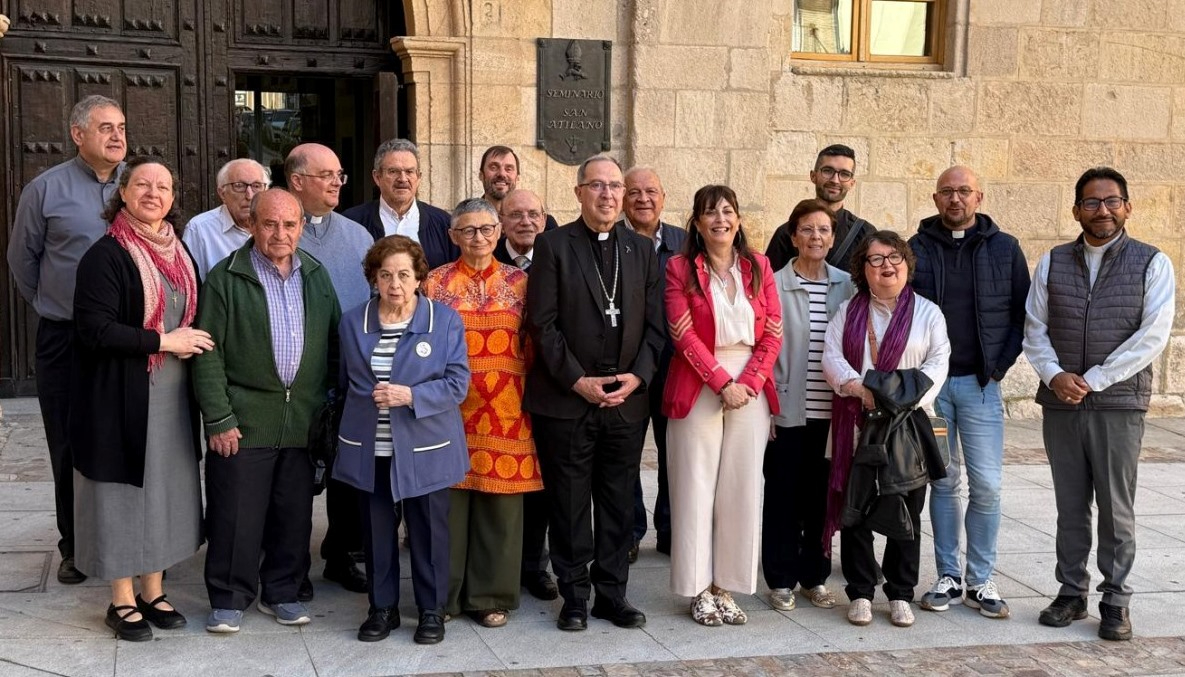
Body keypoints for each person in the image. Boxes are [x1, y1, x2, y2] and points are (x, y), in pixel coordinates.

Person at [1023, 167, 1175, 642]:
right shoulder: (1052, 262)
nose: (1102, 210)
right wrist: (1054, 375)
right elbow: (1035, 328)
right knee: (1070, 506)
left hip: (1118, 404)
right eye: (1091, 202)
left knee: (1116, 507)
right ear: (1076, 210)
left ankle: (1116, 599)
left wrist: (1091, 380)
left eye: (1111, 201)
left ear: (1127, 207)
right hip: (1061, 402)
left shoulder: (1153, 262)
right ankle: (1071, 592)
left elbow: (1152, 335)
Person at [70, 157, 212, 641]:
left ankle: (153, 590)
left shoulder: (179, 252)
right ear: (123, 193)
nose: (154, 193)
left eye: (164, 186)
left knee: (165, 492)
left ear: (174, 198)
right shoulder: (105, 255)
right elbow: (95, 331)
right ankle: (122, 599)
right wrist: (163, 342)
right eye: (143, 184)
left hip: (171, 396)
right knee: (122, 495)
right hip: (118, 398)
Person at [524, 154, 665, 632]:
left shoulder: (642, 250)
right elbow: (541, 325)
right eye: (597, 186)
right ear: (578, 191)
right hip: (568, 399)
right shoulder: (553, 245)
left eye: (615, 187)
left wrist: (638, 377)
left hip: (625, 400)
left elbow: (655, 329)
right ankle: (575, 596)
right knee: (567, 502)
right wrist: (576, 380)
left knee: (617, 501)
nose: (608, 195)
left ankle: (613, 593)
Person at [193, 188, 341, 634]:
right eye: (270, 224)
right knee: (236, 513)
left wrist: (329, 409)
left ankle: (283, 591)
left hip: (302, 422)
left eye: (289, 224)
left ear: (301, 227)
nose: (280, 233)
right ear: (253, 226)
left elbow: (335, 345)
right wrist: (219, 417)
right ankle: (229, 596)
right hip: (244, 421)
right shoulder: (225, 277)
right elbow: (207, 352)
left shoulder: (315, 274)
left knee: (292, 515)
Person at [6, 94, 127, 585]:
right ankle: (75, 544)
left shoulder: (141, 185)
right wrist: (52, 306)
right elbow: (22, 260)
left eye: (121, 126)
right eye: (105, 127)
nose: (117, 136)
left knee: (123, 435)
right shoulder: (45, 189)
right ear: (78, 134)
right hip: (66, 339)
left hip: (127, 339)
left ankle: (124, 539)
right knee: (68, 442)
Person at [334, 235, 470, 644]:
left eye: (404, 275)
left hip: (426, 445)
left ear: (418, 279)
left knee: (429, 532)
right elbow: (344, 384)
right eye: (386, 274)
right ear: (373, 278)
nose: (395, 283)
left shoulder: (444, 321)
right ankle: (383, 609)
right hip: (371, 446)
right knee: (376, 534)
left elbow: (458, 383)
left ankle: (432, 611)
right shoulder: (352, 322)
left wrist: (411, 395)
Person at [909, 166, 1031, 619]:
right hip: (933, 391)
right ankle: (948, 575)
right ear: (936, 197)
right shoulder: (916, 248)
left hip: (981, 386)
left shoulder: (1004, 248)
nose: (955, 199)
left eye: (964, 191)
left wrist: (999, 366)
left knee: (988, 486)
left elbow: (1023, 313)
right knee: (943, 481)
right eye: (947, 192)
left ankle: (981, 578)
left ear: (979, 195)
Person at [662, 184, 782, 627]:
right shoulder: (679, 268)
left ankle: (726, 585)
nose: (720, 220)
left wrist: (747, 383)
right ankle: (696, 589)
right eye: (710, 213)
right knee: (695, 487)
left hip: (751, 382)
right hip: (698, 381)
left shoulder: (759, 266)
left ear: (738, 219)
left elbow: (773, 331)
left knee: (742, 488)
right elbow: (682, 332)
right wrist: (720, 382)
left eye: (728, 211)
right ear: (696, 222)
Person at [822, 230, 950, 629]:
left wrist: (895, 398)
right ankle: (861, 591)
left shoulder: (928, 313)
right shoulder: (849, 312)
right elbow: (832, 357)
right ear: (863, 270)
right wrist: (862, 390)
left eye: (893, 258)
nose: (885, 266)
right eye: (875, 260)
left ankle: (899, 593)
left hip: (907, 427)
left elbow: (937, 363)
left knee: (907, 509)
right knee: (856, 508)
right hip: (857, 421)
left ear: (907, 265)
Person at [423, 198, 540, 628]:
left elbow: (533, 341)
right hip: (449, 410)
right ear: (453, 236)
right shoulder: (434, 284)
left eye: (487, 229)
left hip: (508, 409)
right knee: (448, 507)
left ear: (500, 232)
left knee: (500, 509)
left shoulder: (522, 282)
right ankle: (445, 597)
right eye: (468, 230)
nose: (479, 237)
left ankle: (492, 595)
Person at [286, 142, 373, 596]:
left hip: (348, 373)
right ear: (298, 181)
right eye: (327, 175)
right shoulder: (279, 231)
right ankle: (291, 564)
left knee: (347, 471)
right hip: (293, 374)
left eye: (340, 174)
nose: (338, 182)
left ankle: (340, 554)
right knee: (295, 474)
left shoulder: (358, 236)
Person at [763, 199, 855, 613]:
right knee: (783, 497)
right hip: (787, 409)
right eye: (807, 229)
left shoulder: (848, 285)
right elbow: (763, 348)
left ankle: (815, 576)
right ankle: (781, 578)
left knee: (822, 498)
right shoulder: (774, 284)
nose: (816, 237)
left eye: (824, 230)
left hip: (832, 413)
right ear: (792, 235)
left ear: (833, 238)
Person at [491, 188, 560, 602]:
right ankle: (499, 565)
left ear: (545, 218)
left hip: (548, 384)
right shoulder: (487, 259)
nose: (525, 222)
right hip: (497, 390)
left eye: (534, 214)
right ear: (501, 219)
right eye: (515, 214)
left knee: (542, 481)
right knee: (500, 482)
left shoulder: (558, 257)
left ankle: (535, 565)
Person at [622, 166, 686, 561]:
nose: (643, 199)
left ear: (663, 197)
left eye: (651, 192)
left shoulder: (684, 242)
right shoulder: (614, 240)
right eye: (634, 193)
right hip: (629, 365)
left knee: (674, 451)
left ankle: (670, 528)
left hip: (677, 364)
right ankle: (628, 531)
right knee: (627, 453)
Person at [342, 138, 457, 268]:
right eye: (393, 171)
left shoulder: (443, 223)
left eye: (409, 172)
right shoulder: (351, 222)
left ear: (418, 177)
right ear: (377, 177)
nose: (403, 179)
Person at [765, 144, 875, 274]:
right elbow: (768, 285)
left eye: (844, 174)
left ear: (852, 183)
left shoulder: (865, 234)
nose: (835, 180)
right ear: (813, 176)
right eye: (828, 171)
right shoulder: (787, 233)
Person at [182, 158, 271, 278]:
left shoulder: (281, 225)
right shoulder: (200, 229)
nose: (249, 195)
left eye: (256, 186)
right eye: (239, 186)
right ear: (222, 193)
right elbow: (190, 284)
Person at [478, 145, 559, 231]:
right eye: (494, 167)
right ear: (481, 175)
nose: (501, 174)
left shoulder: (545, 224)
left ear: (517, 178)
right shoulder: (467, 220)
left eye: (508, 169)